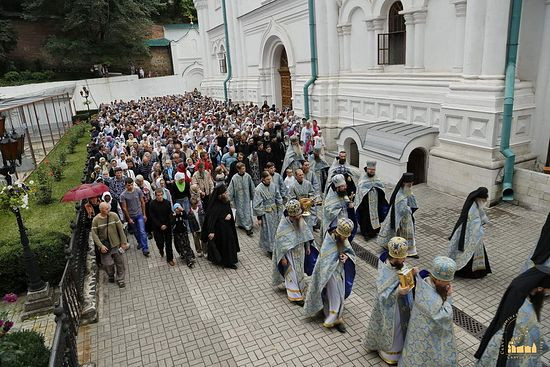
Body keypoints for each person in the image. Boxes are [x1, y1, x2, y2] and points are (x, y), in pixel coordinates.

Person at [474, 265, 550, 366]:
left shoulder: (516, 297)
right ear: (539, 289)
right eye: (547, 290)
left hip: (496, 348)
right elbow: (532, 343)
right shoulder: (526, 314)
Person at [363, 237, 415, 364]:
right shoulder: (385, 268)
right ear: (395, 257)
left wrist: (413, 274)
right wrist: (398, 292)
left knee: (400, 328)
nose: (405, 260)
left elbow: (405, 274)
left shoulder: (400, 264)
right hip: (390, 308)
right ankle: (390, 355)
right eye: (403, 258)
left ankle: (398, 351)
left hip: (402, 305)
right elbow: (382, 294)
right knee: (393, 328)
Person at [400, 256, 458, 367]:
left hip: (416, 332)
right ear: (439, 280)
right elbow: (445, 316)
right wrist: (449, 297)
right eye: (447, 282)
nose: (449, 285)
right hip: (429, 338)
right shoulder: (434, 299)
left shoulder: (423, 283)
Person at [304, 218, 356, 333]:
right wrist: (332, 265)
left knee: (339, 294)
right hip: (330, 274)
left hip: (340, 272)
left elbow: (350, 253)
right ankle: (333, 318)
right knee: (334, 295)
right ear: (338, 233)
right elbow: (325, 260)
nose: (346, 239)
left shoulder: (343, 240)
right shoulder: (329, 240)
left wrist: (346, 257)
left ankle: (335, 316)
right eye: (344, 236)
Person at [272, 199, 315, 306]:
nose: (300, 217)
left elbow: (305, 233)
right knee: (291, 274)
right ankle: (295, 296)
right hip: (289, 254)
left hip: (301, 251)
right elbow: (280, 244)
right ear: (292, 215)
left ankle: (300, 289)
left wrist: (308, 246)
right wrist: (282, 258)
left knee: (299, 272)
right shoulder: (283, 225)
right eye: (298, 216)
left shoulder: (299, 220)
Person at [448, 187, 492, 278]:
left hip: (471, 233)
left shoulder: (475, 203)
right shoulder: (472, 208)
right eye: (483, 200)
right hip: (469, 234)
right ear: (479, 198)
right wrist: (481, 226)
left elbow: (481, 213)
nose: (484, 202)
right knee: (468, 251)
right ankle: (466, 272)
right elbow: (474, 222)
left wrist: (485, 220)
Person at [377, 173, 419, 258]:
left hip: (407, 218)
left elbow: (411, 198)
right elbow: (402, 208)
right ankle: (399, 250)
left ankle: (410, 251)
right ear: (404, 183)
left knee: (408, 234)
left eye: (411, 183)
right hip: (400, 217)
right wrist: (409, 209)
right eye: (409, 184)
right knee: (400, 234)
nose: (411, 185)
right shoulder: (399, 193)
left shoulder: (407, 189)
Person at [91, 202, 129, 288]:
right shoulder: (96, 220)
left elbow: (120, 229)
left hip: (116, 244)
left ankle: (121, 280)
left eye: (108, 208)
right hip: (105, 246)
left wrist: (123, 242)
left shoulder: (114, 216)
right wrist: (100, 246)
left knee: (120, 263)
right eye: (106, 209)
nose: (108, 210)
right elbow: (94, 234)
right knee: (108, 263)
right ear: (101, 210)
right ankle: (111, 274)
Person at [204, 184, 240, 269]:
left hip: (227, 228)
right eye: (225, 192)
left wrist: (230, 216)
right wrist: (211, 231)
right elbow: (211, 219)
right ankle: (227, 262)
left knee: (229, 244)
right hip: (219, 230)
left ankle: (229, 260)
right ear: (220, 194)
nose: (226, 193)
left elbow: (228, 211)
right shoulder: (214, 205)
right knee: (223, 245)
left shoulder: (226, 201)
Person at [354, 161, 389, 239]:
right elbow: (360, 190)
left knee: (376, 216)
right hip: (365, 203)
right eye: (370, 169)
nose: (371, 171)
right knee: (365, 218)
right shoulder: (363, 179)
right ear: (367, 170)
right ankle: (366, 233)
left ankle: (374, 231)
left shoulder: (377, 178)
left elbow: (381, 187)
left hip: (375, 202)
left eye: (373, 170)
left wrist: (377, 189)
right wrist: (368, 191)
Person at [253, 171, 283, 257]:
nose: (269, 180)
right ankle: (270, 249)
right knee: (268, 232)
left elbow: (278, 197)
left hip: (275, 212)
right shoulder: (258, 189)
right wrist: (259, 218)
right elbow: (256, 205)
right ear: (263, 179)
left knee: (276, 230)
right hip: (266, 214)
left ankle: (277, 246)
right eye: (267, 179)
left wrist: (280, 208)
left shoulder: (273, 185)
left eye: (270, 178)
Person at [120, 177, 149, 257]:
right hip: (131, 216)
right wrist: (128, 218)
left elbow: (142, 202)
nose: (130, 186)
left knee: (142, 231)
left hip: (139, 214)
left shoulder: (138, 191)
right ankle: (140, 242)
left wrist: (144, 214)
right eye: (129, 185)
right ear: (125, 185)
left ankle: (145, 248)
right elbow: (124, 208)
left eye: (132, 184)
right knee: (136, 231)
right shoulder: (123, 195)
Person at [321, 174, 357, 240]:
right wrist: (339, 209)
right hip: (335, 223)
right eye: (343, 186)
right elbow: (328, 211)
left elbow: (347, 203)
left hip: (345, 222)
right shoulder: (331, 197)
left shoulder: (343, 193)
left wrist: (350, 206)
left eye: (345, 185)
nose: (345, 187)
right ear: (337, 187)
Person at [149, 188, 176, 266]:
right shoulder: (152, 204)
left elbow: (169, 214)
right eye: (158, 195)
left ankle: (170, 259)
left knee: (168, 243)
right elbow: (152, 216)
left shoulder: (167, 203)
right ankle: (161, 249)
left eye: (161, 195)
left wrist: (166, 224)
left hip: (167, 226)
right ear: (155, 196)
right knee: (160, 242)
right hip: (157, 227)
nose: (160, 197)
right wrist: (160, 225)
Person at [227, 162, 255, 236]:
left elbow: (251, 186)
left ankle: (248, 228)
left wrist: (253, 196)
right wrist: (229, 199)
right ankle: (241, 224)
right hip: (238, 198)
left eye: (244, 168)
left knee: (247, 211)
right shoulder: (234, 178)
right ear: (238, 169)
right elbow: (230, 189)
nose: (244, 170)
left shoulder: (248, 176)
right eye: (242, 168)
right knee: (240, 211)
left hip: (246, 197)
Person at [172, 203, 196, 267]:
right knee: (181, 246)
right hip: (177, 234)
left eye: (179, 209)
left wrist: (182, 210)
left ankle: (190, 257)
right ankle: (187, 259)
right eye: (176, 209)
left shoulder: (182, 214)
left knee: (187, 244)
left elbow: (186, 217)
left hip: (184, 232)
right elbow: (172, 223)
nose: (178, 210)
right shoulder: (173, 216)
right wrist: (174, 216)